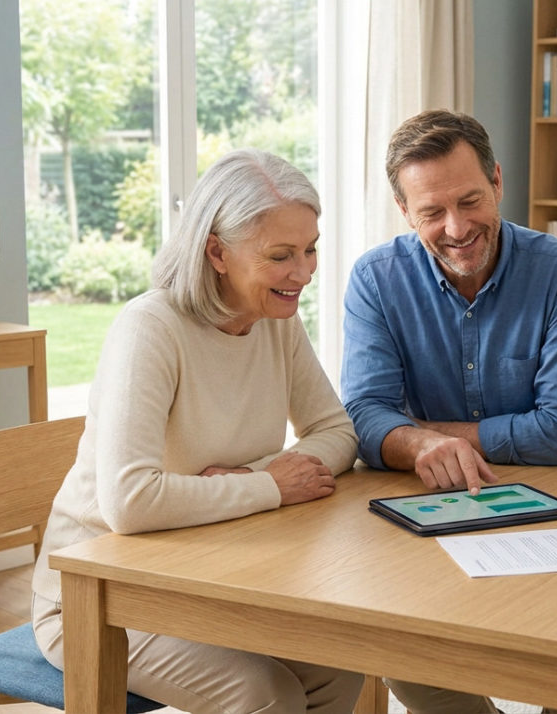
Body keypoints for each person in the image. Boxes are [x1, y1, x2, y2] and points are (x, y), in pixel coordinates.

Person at [30, 149, 365, 713]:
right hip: (99, 596)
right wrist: (271, 486)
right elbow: (130, 503)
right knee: (266, 694)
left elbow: (337, 432)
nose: (304, 273)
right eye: (281, 255)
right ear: (217, 251)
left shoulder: (273, 321)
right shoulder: (150, 329)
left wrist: (257, 476)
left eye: (310, 250)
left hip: (210, 570)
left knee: (340, 660)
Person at [340, 109, 557, 713]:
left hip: (554, 516)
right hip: (426, 512)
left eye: (470, 200)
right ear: (405, 213)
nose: (456, 227)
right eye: (432, 212)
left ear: (498, 182)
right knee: (400, 644)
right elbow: (363, 418)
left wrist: (418, 434)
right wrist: (422, 446)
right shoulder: (376, 280)